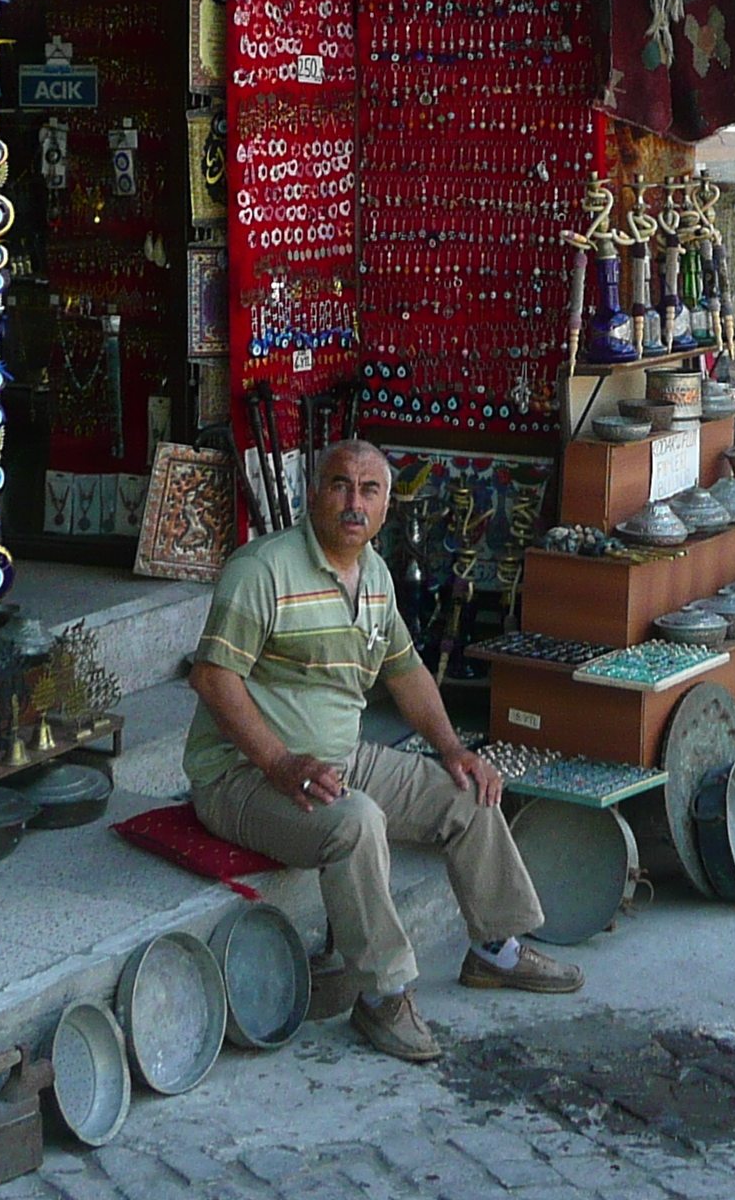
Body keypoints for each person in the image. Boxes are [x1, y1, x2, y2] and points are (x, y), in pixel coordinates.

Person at [186, 439, 578, 1063]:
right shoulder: (262, 569)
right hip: (244, 776)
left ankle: (495, 950)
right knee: (358, 823)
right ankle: (383, 995)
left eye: (369, 491)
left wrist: (453, 748)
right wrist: (280, 764)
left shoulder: (373, 575)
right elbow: (213, 678)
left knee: (468, 792)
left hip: (343, 757)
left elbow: (407, 672)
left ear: (387, 508)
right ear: (312, 493)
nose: (353, 502)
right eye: (340, 485)